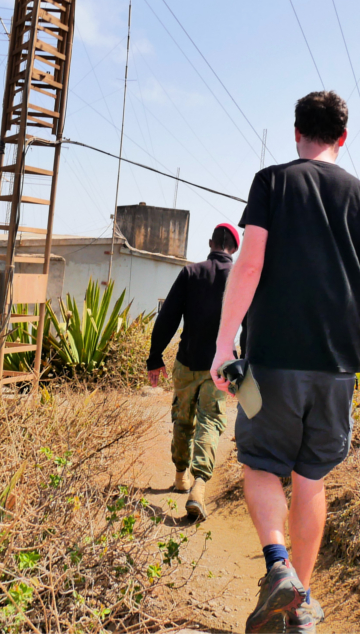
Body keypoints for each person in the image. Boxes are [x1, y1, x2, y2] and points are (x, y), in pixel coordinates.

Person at [211, 91, 360, 633]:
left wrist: (226, 345)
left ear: (296, 132)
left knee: (260, 465)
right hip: (338, 367)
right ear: (343, 137)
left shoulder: (273, 181)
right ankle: (302, 612)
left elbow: (248, 266)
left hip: (272, 360)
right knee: (311, 481)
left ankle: (278, 569)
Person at [147, 223, 244, 521]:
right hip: (221, 366)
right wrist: (248, 362)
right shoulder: (240, 278)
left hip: (187, 362)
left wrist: (155, 357)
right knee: (211, 423)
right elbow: (253, 323)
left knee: (183, 417)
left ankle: (180, 475)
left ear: (211, 242)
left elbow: (168, 317)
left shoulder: (190, 273)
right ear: (235, 249)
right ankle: (199, 487)